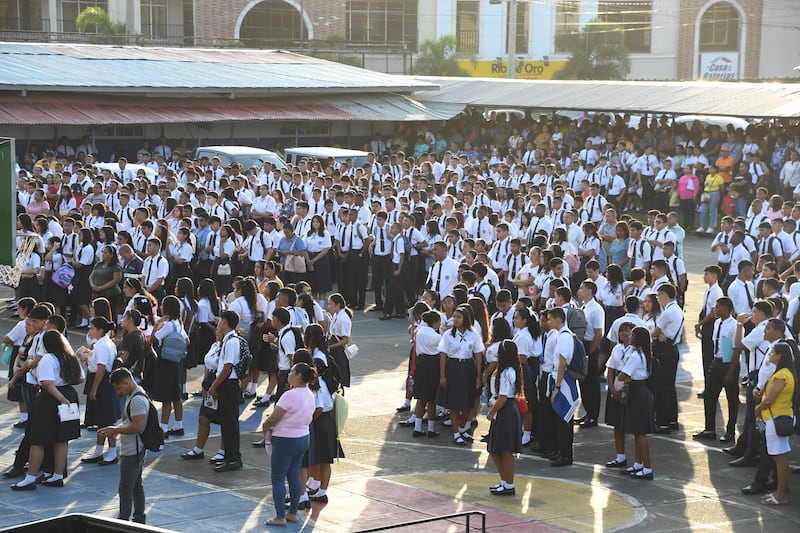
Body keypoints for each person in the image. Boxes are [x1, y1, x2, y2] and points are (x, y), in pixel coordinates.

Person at [10, 330, 81, 490]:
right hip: (69, 394)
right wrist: (65, 396)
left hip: (50, 399)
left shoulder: (48, 358)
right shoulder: (69, 357)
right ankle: (57, 475)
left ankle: (30, 478)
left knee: (38, 439)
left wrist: (60, 399)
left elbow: (47, 383)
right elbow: (80, 378)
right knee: (61, 439)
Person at [262, 363, 317, 527]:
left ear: (298, 375)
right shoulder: (309, 394)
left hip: (285, 439)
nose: (289, 374)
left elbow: (273, 418)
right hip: (302, 437)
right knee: (294, 474)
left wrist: (266, 427)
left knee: (278, 478)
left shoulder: (289, 395)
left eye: (292, 371)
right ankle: (293, 513)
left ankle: (280, 516)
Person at [102, 368, 149, 524]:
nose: (118, 392)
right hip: (134, 448)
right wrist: (117, 430)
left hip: (133, 450)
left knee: (125, 488)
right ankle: (139, 518)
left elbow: (137, 426)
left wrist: (116, 430)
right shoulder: (134, 395)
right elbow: (131, 422)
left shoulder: (137, 400)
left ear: (127, 382)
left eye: (119, 388)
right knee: (135, 485)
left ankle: (123, 520)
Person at [754, 342, 796, 505]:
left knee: (779, 457)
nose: (770, 354)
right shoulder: (786, 373)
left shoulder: (781, 375)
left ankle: (781, 494)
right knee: (779, 456)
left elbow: (769, 400)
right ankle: (780, 492)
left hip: (776, 418)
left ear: (779, 356)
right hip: (780, 417)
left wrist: (757, 409)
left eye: (772, 352)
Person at [693, 297, 738, 442]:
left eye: (718, 307)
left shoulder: (734, 326)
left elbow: (734, 350)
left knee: (731, 400)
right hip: (717, 361)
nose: (715, 310)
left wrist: (730, 372)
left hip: (728, 363)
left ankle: (730, 432)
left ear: (726, 309)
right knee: (710, 396)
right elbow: (718, 344)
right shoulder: (717, 323)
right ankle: (709, 429)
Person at [438, 305, 484, 446]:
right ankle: (456, 432)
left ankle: (463, 428)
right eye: (454, 317)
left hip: (467, 368)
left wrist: (478, 376)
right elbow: (443, 356)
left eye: (458, 317)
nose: (455, 320)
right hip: (453, 368)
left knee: (467, 402)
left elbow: (478, 356)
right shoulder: (448, 335)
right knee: (454, 402)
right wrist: (443, 376)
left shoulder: (474, 335)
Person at [80, 316, 121, 466]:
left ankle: (111, 453)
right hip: (102, 382)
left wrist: (94, 389)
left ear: (100, 330)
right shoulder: (104, 343)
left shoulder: (103, 345)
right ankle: (98, 451)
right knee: (101, 419)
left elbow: (102, 368)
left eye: (92, 328)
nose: (90, 331)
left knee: (106, 419)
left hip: (102, 384)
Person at [209, 310, 244, 472]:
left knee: (230, 424)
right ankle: (229, 457)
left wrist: (214, 385)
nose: (218, 322)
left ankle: (233, 458)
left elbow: (227, 367)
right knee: (227, 423)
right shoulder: (228, 340)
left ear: (225, 322)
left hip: (228, 385)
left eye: (221, 319)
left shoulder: (231, 342)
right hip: (227, 385)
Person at [486, 339, 523, 496]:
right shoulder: (503, 370)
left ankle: (509, 484)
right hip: (503, 411)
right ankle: (504, 482)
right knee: (495, 449)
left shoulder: (508, 372)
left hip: (505, 411)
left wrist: (491, 412)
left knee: (504, 450)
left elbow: (502, 398)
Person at [619, 326, 656, 479]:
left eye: (632, 335)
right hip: (641, 390)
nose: (630, 338)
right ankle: (638, 464)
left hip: (637, 392)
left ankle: (647, 468)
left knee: (640, 433)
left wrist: (625, 377)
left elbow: (622, 375)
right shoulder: (644, 354)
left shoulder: (635, 356)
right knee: (637, 431)